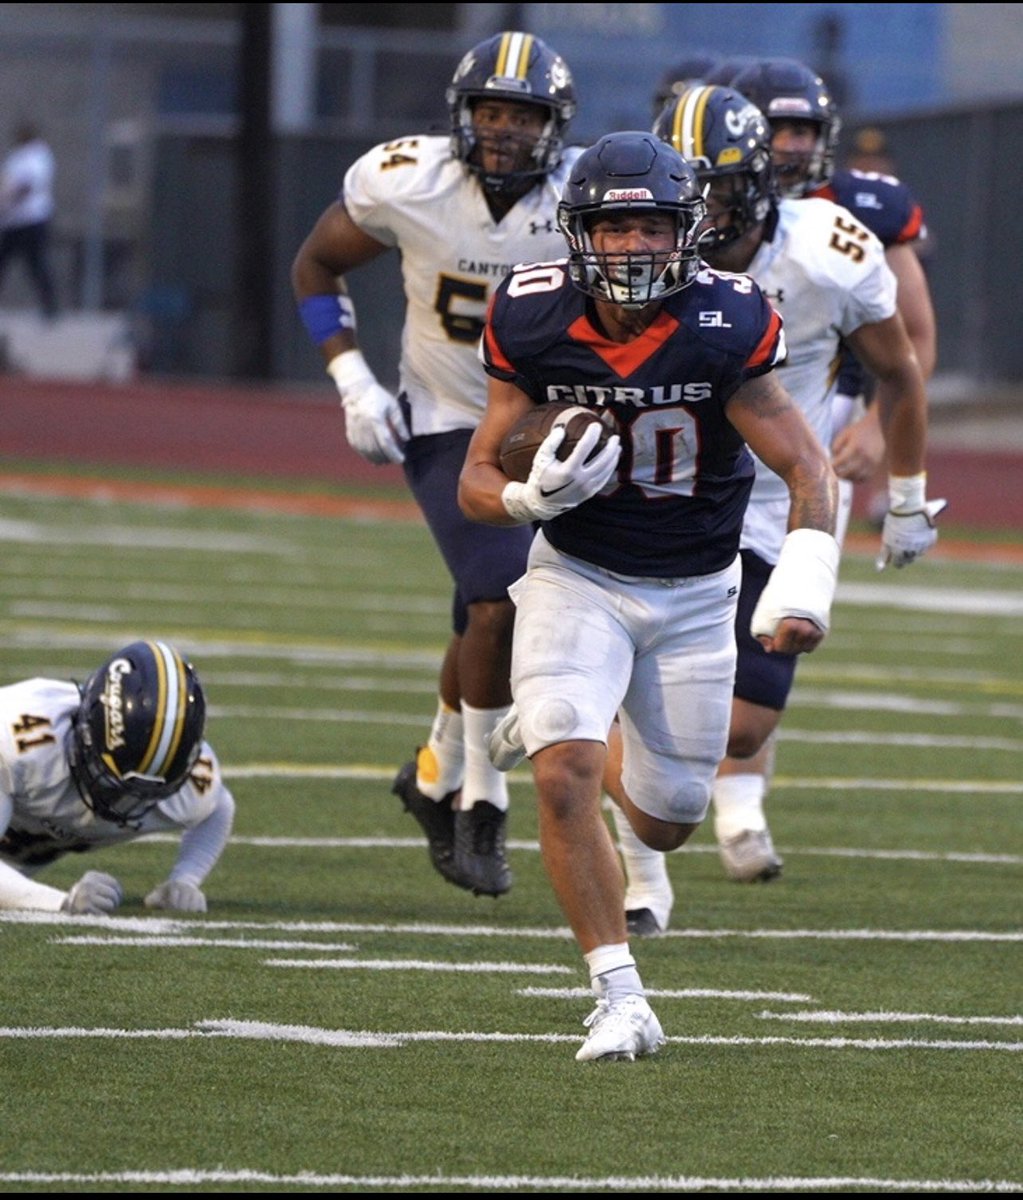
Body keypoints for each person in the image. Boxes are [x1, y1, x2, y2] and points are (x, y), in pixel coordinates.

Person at [459, 130, 841, 1061]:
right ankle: (618, 995)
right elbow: (476, 474)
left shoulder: (730, 320)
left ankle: (556, 717)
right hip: (576, 574)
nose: (631, 246)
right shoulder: (532, 315)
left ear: (686, 230)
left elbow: (808, 468)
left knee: (666, 822)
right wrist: (522, 497)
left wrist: (802, 585)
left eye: (649, 226)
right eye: (613, 227)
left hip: (696, 594)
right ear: (579, 232)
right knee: (565, 776)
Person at [602, 84, 943, 933]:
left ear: (757, 184)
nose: (697, 210)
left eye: (715, 188)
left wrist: (902, 494)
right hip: (655, 481)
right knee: (616, 687)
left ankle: (567, 735)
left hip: (782, 491)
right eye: (684, 189)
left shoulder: (828, 250)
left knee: (745, 729)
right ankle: (636, 869)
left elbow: (899, 369)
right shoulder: (633, 253)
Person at [291, 31, 582, 900]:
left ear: (553, 125)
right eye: (489, 111)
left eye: (522, 115)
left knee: (487, 614)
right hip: (448, 419)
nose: (502, 130)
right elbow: (315, 266)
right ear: (462, 116)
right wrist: (351, 381)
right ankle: (479, 798)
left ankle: (428, 773)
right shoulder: (407, 181)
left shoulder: (580, 204)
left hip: (551, 427)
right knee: (497, 600)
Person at [728, 57, 937, 540]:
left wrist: (874, 426)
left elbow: (916, 338)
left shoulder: (865, 209)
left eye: (803, 132)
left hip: (826, 400)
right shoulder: (697, 202)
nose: (791, 148)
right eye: (776, 131)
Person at [0, 640, 235, 914]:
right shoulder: (18, 746)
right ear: (85, 736)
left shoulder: (192, 783)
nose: (125, 804)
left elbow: (219, 807)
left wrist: (185, 879)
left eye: (145, 795)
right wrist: (62, 902)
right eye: (111, 782)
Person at [0, 121, 58, 319]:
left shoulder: (38, 155)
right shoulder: (18, 156)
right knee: (4, 261)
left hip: (32, 219)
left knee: (37, 264)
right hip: (14, 220)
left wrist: (9, 201)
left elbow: (28, 185)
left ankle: (51, 308)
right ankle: (50, 307)